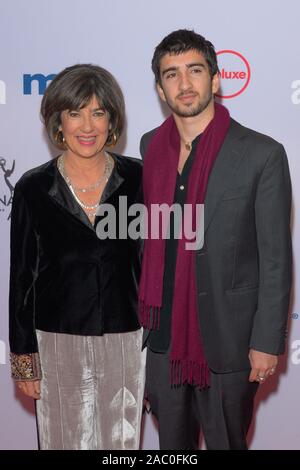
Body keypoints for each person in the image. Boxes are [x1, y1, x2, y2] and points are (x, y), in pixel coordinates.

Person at [139, 29, 292, 450]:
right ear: (159, 88)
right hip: (163, 341)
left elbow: (276, 258)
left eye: (194, 70)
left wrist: (265, 342)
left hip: (231, 342)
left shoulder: (262, 153)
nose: (184, 84)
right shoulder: (151, 146)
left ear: (216, 79)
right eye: (171, 75)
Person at [9, 64, 146, 450]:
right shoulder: (34, 187)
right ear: (58, 121)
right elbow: (21, 278)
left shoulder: (139, 179)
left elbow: (152, 266)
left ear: (112, 120)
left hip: (127, 339)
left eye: (98, 112)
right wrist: (25, 360)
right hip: (56, 341)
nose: (87, 126)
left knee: (122, 447)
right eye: (75, 112)